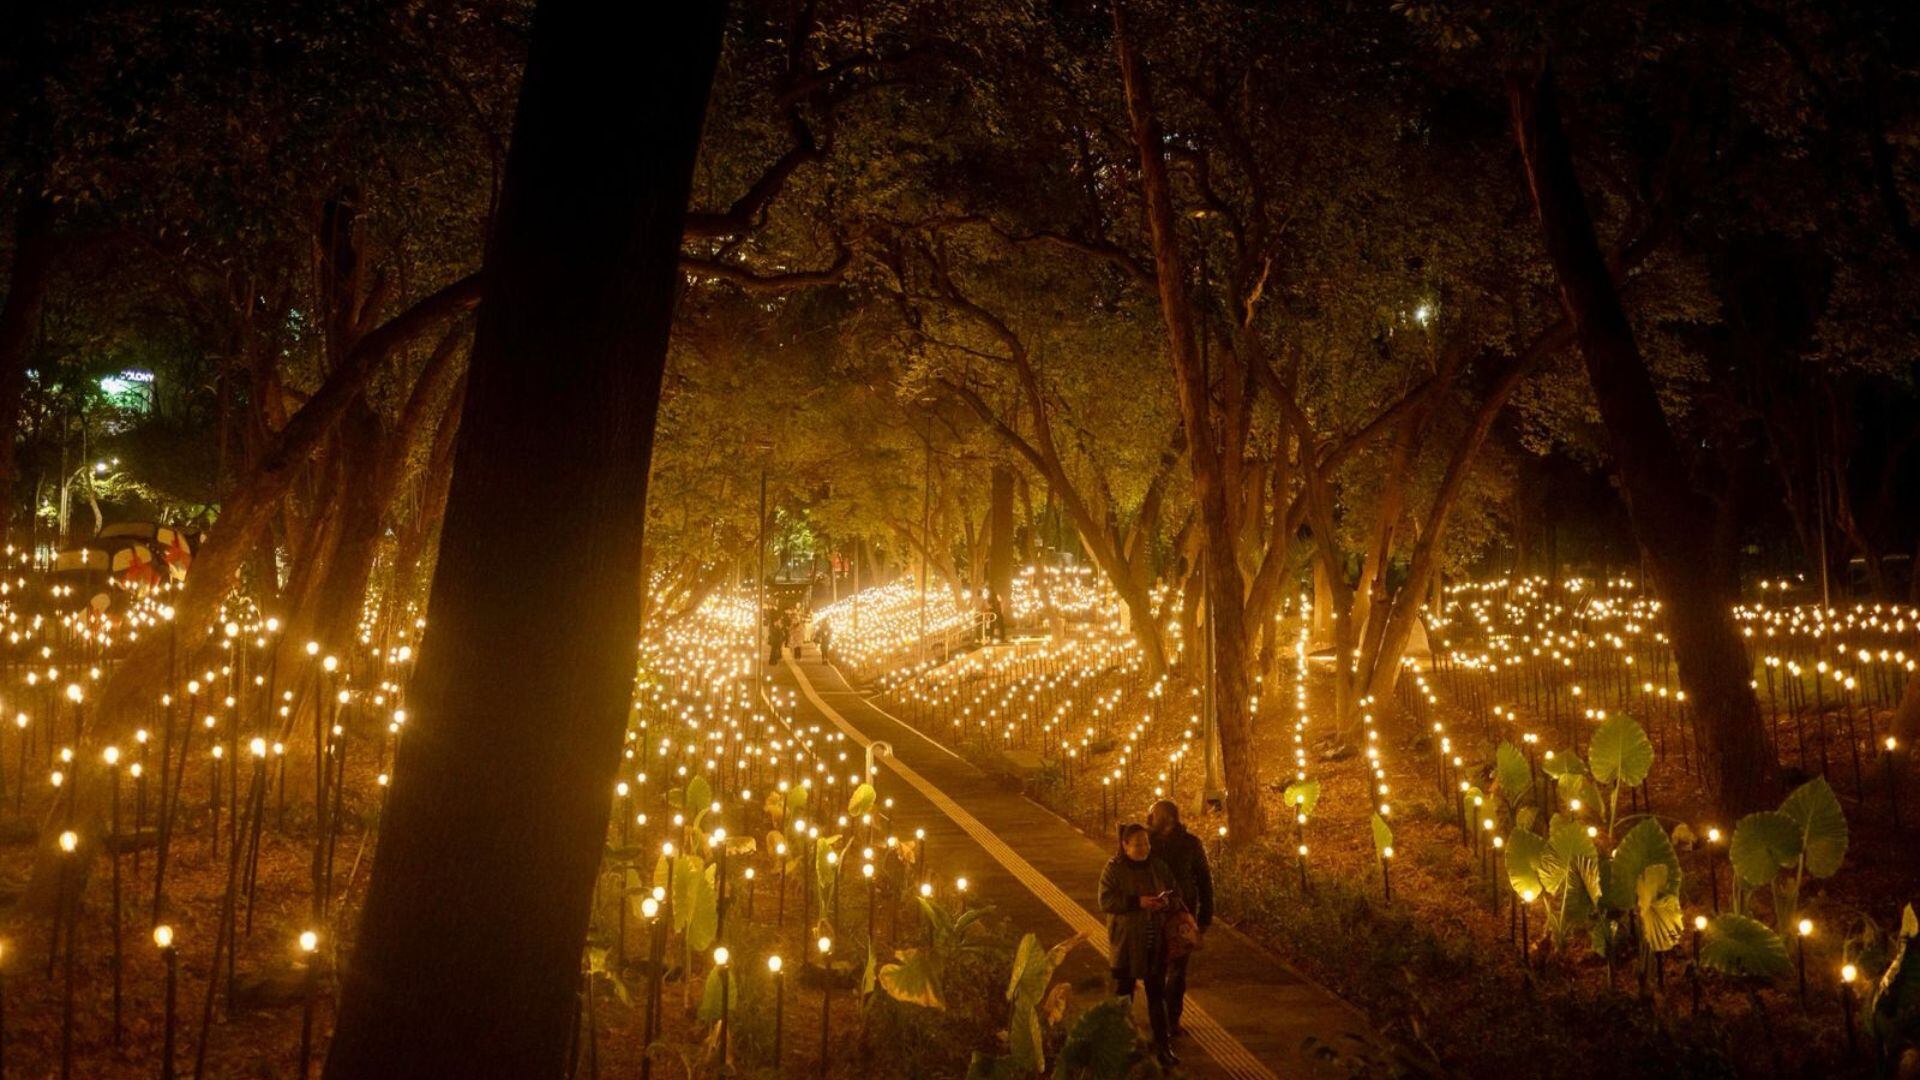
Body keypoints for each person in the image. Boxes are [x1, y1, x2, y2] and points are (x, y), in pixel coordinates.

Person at [1098, 822, 1179, 1068]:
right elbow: (1106, 900)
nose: (1144, 848)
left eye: (1146, 843)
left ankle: (1163, 1047)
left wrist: (1166, 903)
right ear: (1125, 845)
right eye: (1138, 844)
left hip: (1155, 942)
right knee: (1123, 996)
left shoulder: (1158, 867)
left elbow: (1176, 893)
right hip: (1126, 942)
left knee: (1156, 995)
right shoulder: (1114, 870)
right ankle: (1120, 1047)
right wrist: (1137, 902)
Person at [1147, 799, 1213, 1040]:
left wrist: (1205, 915)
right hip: (1171, 914)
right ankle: (1169, 1020)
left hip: (1176, 915)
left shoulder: (1158, 845)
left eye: (1152, 816)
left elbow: (1204, 880)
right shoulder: (1153, 843)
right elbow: (1205, 881)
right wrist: (1205, 915)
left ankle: (1167, 1020)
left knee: (1170, 969)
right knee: (1172, 970)